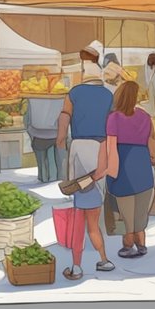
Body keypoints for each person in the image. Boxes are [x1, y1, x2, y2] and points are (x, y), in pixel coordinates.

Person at [56, 59, 115, 279]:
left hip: (80, 147)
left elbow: (64, 117)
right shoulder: (109, 94)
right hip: (101, 147)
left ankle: (77, 265)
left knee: (79, 205)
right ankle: (103, 258)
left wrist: (61, 138)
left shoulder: (74, 92)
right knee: (94, 207)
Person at [104, 81, 155, 259]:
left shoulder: (114, 118)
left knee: (125, 211)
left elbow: (112, 148)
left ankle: (128, 246)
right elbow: (152, 140)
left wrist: (110, 173)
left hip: (123, 166)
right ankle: (141, 244)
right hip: (142, 165)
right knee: (141, 209)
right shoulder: (145, 116)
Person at [24, 90, 63, 184]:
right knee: (57, 168)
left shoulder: (31, 93)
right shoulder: (62, 94)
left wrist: (30, 131)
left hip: (37, 133)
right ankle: (53, 181)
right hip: (56, 133)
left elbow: (26, 119)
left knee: (43, 167)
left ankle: (44, 180)